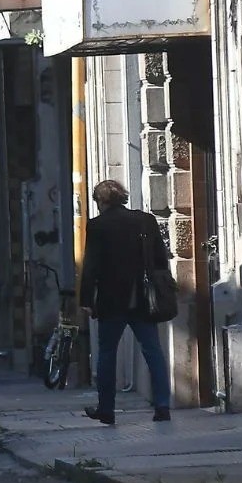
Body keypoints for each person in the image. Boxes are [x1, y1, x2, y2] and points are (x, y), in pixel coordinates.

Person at [79, 180, 172, 425]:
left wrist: (87, 299)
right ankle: (162, 406)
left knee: (107, 353)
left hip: (112, 300)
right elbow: (160, 257)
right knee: (153, 351)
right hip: (143, 297)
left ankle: (106, 409)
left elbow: (91, 266)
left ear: (101, 201)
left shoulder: (97, 225)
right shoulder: (145, 220)